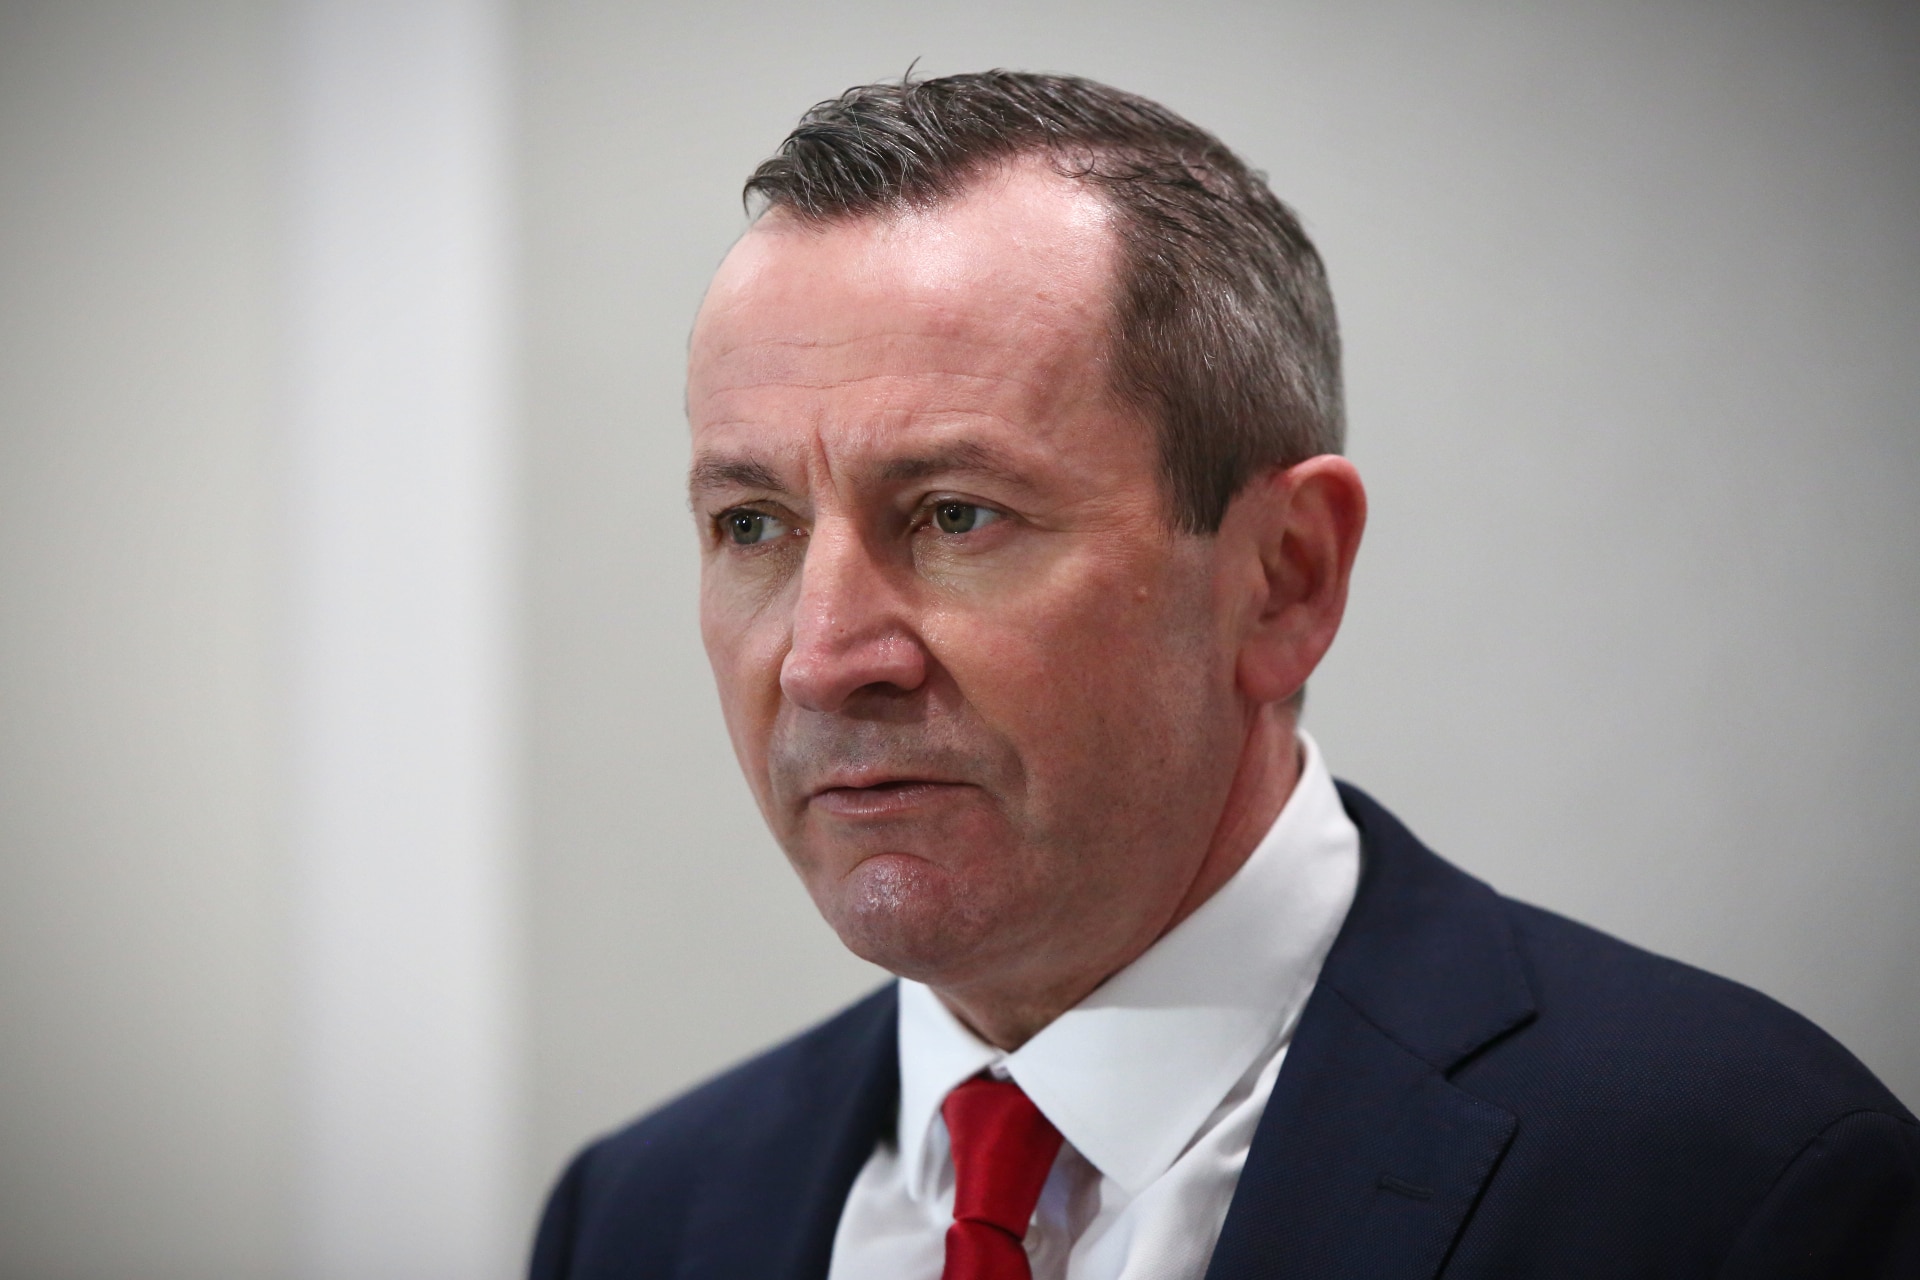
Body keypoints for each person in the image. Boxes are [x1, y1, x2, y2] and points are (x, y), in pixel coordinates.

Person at [530, 71, 1918, 1279]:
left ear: (1285, 577)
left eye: (957, 514)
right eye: (752, 526)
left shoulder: (1741, 1190)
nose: (827, 657)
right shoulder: (638, 1217)